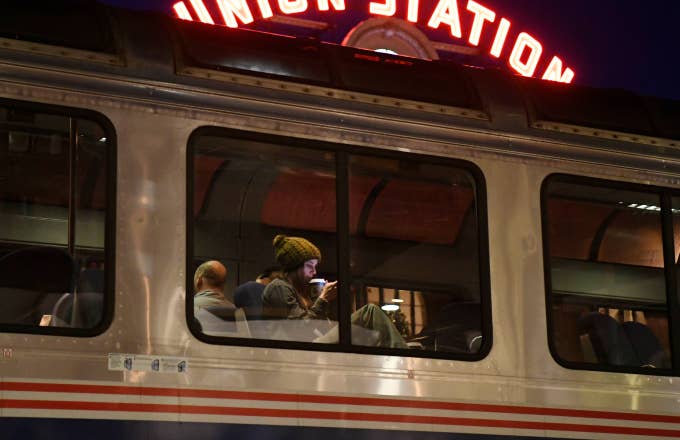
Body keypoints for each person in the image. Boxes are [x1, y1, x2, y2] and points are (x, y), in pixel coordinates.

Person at [262, 234, 407, 348]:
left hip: (309, 342)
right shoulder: (279, 287)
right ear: (294, 266)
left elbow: (314, 325)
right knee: (369, 312)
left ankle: (393, 350)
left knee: (366, 331)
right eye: (309, 266)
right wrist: (322, 300)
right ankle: (402, 354)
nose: (314, 271)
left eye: (315, 266)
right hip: (300, 348)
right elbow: (299, 330)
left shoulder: (300, 291)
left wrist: (322, 301)